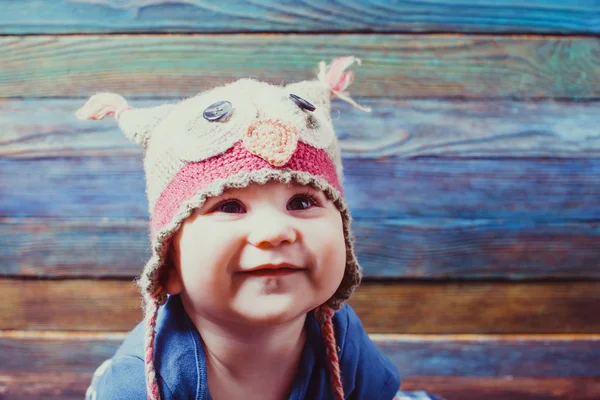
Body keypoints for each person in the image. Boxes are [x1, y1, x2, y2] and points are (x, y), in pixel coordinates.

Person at [77, 56, 442, 400]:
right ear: (169, 266)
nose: (274, 231)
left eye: (301, 202)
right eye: (230, 206)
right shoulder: (143, 381)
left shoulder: (339, 335)